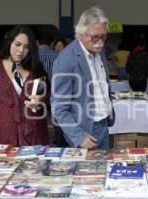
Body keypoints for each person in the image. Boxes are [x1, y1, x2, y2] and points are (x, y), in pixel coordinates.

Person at [0, 25, 50, 146]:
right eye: (17, 44)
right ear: (9, 42)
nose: (21, 51)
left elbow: (46, 96)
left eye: (26, 47)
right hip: (5, 136)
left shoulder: (36, 68)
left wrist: (40, 101)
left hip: (36, 136)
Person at [50, 6, 114, 149]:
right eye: (95, 37)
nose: (100, 41)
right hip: (83, 133)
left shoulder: (100, 52)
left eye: (104, 36)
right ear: (80, 34)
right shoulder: (66, 60)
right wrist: (78, 136)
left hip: (104, 126)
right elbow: (59, 108)